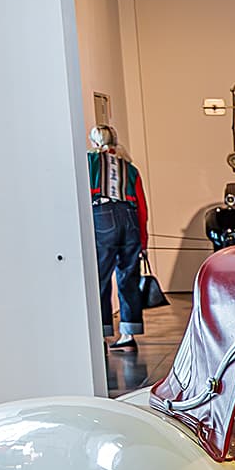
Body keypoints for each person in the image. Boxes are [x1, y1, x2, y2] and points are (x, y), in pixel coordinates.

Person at [87, 124, 148, 347]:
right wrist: (143, 239)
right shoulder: (130, 168)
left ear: (95, 142)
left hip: (103, 215)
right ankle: (128, 334)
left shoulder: (90, 161)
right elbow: (142, 206)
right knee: (128, 276)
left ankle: (102, 333)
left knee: (101, 277)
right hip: (130, 217)